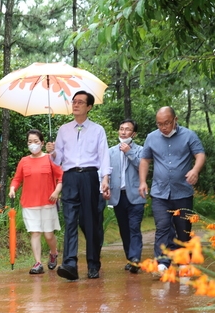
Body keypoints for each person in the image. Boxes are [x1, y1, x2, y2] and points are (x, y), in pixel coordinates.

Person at [46, 90, 111, 280]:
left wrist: (104, 178)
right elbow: (58, 161)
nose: (75, 105)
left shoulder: (98, 130)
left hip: (90, 177)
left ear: (89, 107)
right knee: (70, 219)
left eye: (81, 102)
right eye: (74, 102)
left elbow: (103, 155)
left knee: (91, 222)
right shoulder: (63, 130)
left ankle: (93, 264)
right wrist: (53, 152)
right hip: (70, 177)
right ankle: (70, 264)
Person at [138, 107, 206, 277]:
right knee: (162, 227)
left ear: (175, 119)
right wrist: (142, 182)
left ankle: (184, 262)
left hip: (182, 192)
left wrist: (195, 170)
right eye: (160, 124)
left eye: (167, 123)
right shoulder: (151, 137)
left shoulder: (189, 135)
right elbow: (145, 160)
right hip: (160, 192)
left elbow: (200, 155)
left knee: (183, 229)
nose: (163, 127)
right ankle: (162, 263)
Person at [9, 129, 63, 275]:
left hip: (48, 202)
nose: (33, 145)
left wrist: (56, 191)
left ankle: (53, 252)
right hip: (29, 203)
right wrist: (12, 188)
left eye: (36, 142)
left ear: (42, 143)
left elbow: (61, 177)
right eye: (30, 142)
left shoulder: (51, 159)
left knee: (48, 235)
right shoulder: (24, 161)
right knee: (35, 233)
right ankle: (38, 263)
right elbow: (17, 179)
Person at [108, 119, 146, 274]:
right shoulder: (110, 151)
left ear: (134, 134)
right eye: (121, 128)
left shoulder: (141, 150)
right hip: (118, 195)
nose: (123, 132)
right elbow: (106, 171)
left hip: (136, 195)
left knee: (134, 227)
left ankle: (135, 258)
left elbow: (142, 166)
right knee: (124, 229)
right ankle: (130, 259)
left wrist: (128, 152)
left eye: (127, 129)